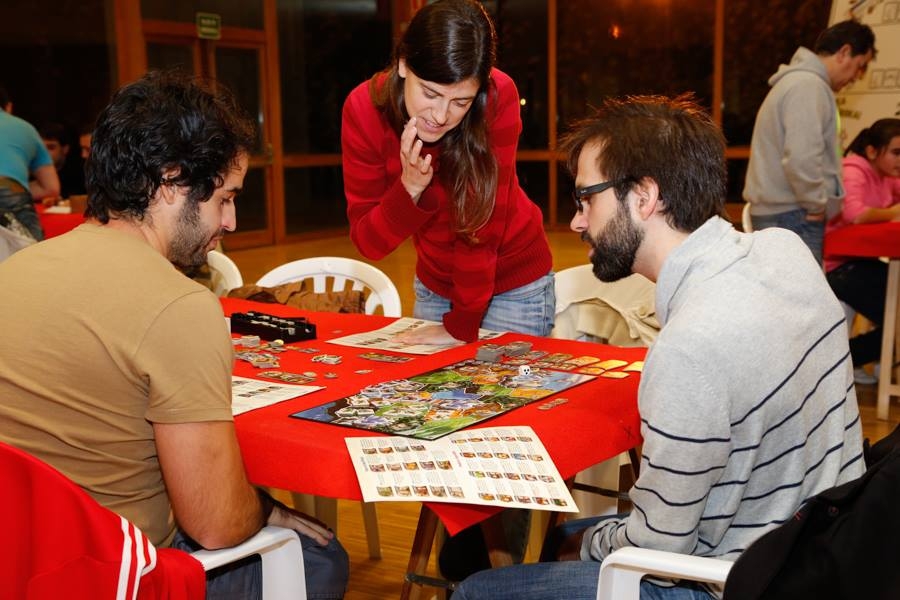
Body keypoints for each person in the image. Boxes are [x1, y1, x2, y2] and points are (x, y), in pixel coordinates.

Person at [452, 94, 865, 600]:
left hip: (738, 581)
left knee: (478, 590)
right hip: (824, 553)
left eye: (587, 198)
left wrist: (585, 549)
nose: (578, 221)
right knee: (566, 535)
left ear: (644, 196)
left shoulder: (689, 348)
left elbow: (660, 545)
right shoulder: (786, 251)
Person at [0, 70, 348, 598]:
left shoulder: (18, 270)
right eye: (225, 198)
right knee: (322, 559)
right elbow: (216, 524)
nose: (230, 221)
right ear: (170, 183)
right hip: (120, 571)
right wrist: (267, 505)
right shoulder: (180, 305)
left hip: (23, 558)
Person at [341, 0, 554, 347]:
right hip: (435, 283)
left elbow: (480, 228)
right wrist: (408, 189)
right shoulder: (364, 109)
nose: (440, 116)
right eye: (431, 93)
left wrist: (463, 324)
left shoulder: (499, 96)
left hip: (514, 283)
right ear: (403, 63)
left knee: (508, 397)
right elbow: (369, 242)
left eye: (461, 102)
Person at [743, 19, 876, 265]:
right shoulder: (808, 86)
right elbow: (801, 157)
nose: (857, 77)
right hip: (792, 215)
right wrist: (815, 205)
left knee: (787, 299)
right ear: (844, 52)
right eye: (860, 66)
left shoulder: (800, 83)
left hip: (787, 213)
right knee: (800, 301)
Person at [825, 118, 900, 383]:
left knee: (895, 312)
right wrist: (893, 211)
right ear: (872, 151)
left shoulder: (885, 176)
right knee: (895, 319)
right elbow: (854, 214)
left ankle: (861, 359)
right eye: (896, 152)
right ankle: (840, 361)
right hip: (837, 266)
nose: (899, 160)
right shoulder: (853, 171)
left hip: (861, 262)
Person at [0, 84, 59, 241]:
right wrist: (18, 186)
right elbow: (51, 188)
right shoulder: (25, 128)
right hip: (11, 196)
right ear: (8, 107)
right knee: (29, 257)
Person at [40, 121, 87, 198]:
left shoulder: (80, 172)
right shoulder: (33, 172)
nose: (44, 153)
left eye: (51, 147)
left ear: (65, 149)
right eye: (41, 148)